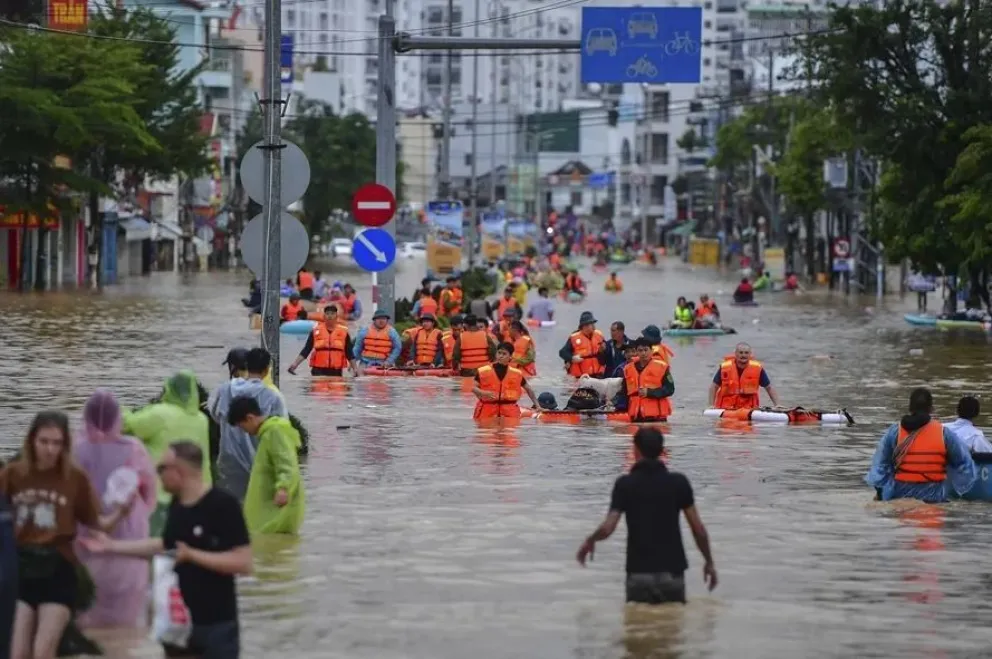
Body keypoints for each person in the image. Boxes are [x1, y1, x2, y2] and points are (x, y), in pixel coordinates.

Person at [82, 441, 253, 659]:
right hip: (177, 624)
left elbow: (244, 563)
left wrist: (193, 556)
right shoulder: (177, 504)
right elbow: (165, 545)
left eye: (161, 468)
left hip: (216, 625)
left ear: (179, 470)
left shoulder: (223, 505)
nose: (157, 474)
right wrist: (111, 546)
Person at [2, 411, 134, 659]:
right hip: (21, 570)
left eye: (57, 443)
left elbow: (97, 524)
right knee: (17, 652)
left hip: (58, 569)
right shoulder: (13, 475)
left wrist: (120, 513)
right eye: (44, 442)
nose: (50, 450)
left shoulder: (75, 479)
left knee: (43, 651)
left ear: (65, 444)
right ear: (32, 441)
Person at [576, 427, 717, 604]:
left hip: (638, 574)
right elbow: (698, 529)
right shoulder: (678, 482)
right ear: (662, 451)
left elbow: (608, 528)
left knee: (636, 628)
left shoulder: (625, 484)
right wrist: (709, 562)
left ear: (635, 450)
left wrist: (590, 540)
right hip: (672, 573)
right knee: (672, 628)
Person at [73, 390, 158, 629]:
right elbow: (150, 497)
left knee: (86, 621)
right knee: (126, 626)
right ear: (117, 418)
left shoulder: (75, 448)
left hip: (85, 543)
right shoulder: (134, 449)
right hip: (128, 545)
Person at [123, 371, 211, 535]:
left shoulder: (160, 413)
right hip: (198, 495)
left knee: (157, 544)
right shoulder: (201, 420)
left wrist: (121, 410)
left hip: (162, 494)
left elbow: (128, 425)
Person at [866, 388, 978, 503]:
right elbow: (966, 466)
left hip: (899, 500)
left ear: (910, 408)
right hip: (933, 501)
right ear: (931, 408)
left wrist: (881, 494)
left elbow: (879, 469)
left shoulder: (894, 432)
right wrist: (956, 489)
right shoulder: (944, 434)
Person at [210, 349, 289, 502]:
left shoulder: (225, 389)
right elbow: (283, 432)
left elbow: (215, 415)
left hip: (228, 463)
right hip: (258, 466)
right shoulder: (273, 397)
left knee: (229, 514)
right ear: (267, 370)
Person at [227, 397, 305, 535]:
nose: (244, 431)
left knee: (272, 547)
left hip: (276, 507)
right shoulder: (267, 433)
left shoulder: (274, 432)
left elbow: (286, 463)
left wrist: (283, 488)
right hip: (268, 505)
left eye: (241, 425)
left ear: (250, 418)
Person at [472, 342, 540, 418]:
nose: (500, 356)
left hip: (509, 411)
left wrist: (537, 406)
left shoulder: (516, 374)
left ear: (510, 356)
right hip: (487, 410)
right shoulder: (483, 371)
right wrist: (483, 393)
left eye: (504, 354)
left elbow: (529, 389)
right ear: (496, 354)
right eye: (499, 353)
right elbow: (473, 388)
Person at [287, 305, 358, 377]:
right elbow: (306, 350)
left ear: (336, 316)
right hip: (318, 370)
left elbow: (349, 353)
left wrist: (355, 368)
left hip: (336, 371)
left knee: (338, 387)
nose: (330, 316)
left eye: (332, 314)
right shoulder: (315, 331)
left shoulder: (344, 332)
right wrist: (295, 364)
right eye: (327, 314)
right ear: (324, 316)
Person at [709, 343, 779, 409]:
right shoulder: (725, 368)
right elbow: (714, 387)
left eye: (746, 353)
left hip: (749, 408)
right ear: (736, 354)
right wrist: (711, 405)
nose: (743, 355)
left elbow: (769, 388)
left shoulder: (757, 369)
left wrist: (777, 405)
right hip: (726, 408)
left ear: (750, 354)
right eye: (741, 352)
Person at [621, 338, 675, 422]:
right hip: (636, 417)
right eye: (640, 350)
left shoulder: (662, 367)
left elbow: (670, 389)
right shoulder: (628, 369)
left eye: (646, 350)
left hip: (656, 418)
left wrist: (649, 392)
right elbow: (624, 391)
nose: (643, 353)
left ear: (651, 351)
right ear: (636, 352)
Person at [558, 311, 606, 377]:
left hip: (598, 375)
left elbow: (607, 351)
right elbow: (562, 352)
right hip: (580, 377)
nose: (592, 326)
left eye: (592, 323)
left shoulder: (599, 335)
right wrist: (572, 358)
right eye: (590, 324)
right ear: (583, 326)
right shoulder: (574, 338)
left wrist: (603, 350)